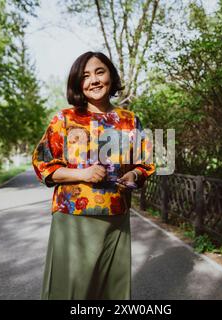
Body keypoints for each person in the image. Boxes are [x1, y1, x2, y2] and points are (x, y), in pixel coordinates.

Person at [32, 51, 155, 300]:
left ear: (111, 76)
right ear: (79, 83)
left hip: (115, 219)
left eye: (100, 72)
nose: (94, 80)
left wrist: (134, 175)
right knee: (69, 292)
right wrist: (83, 174)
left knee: (111, 292)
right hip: (72, 219)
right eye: (86, 76)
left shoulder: (129, 121)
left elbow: (145, 164)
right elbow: (43, 165)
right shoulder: (63, 119)